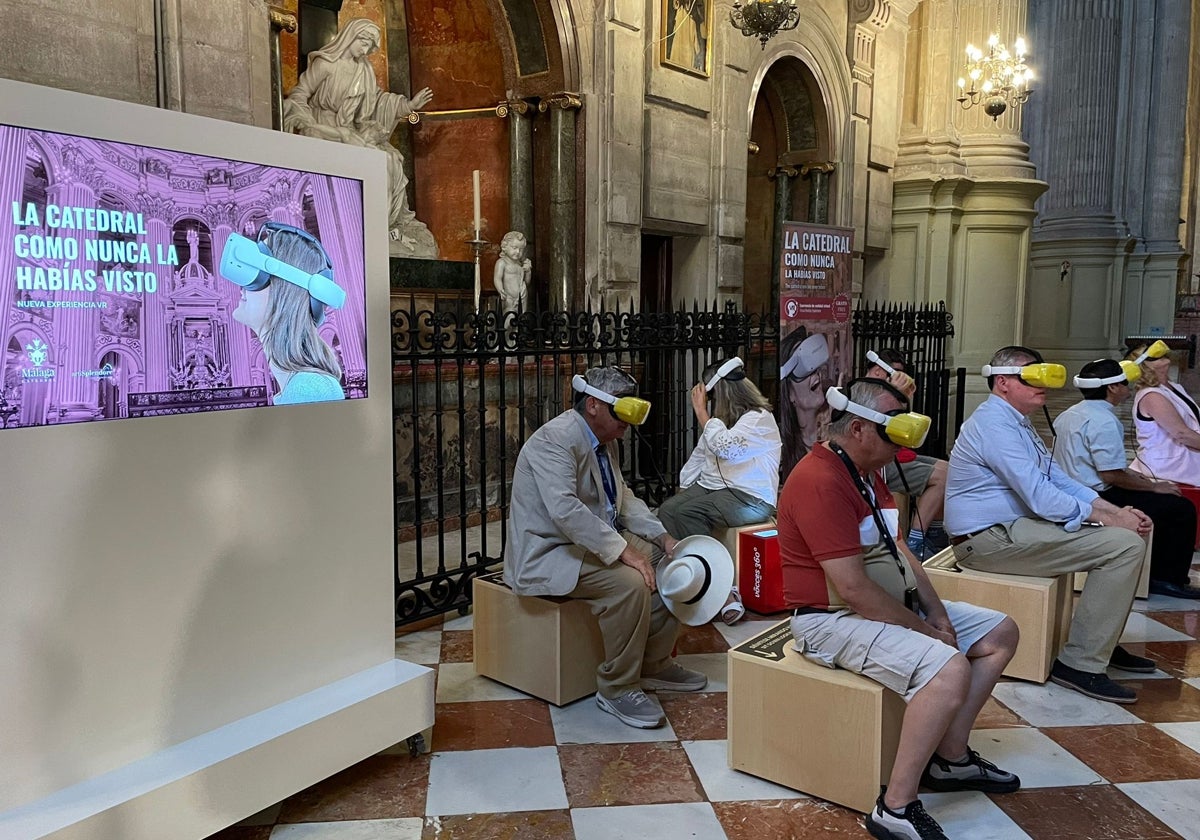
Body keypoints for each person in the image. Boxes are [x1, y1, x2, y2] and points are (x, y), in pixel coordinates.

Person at [780, 377, 1020, 840]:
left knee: (1000, 634)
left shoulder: (867, 472)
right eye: (896, 429)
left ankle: (950, 760)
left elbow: (900, 551)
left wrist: (939, 614)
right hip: (828, 620)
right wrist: (930, 635)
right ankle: (895, 806)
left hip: (883, 605)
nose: (905, 441)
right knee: (948, 668)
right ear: (857, 431)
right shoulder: (819, 480)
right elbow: (852, 590)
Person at [945, 346, 1152, 705]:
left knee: (1126, 533)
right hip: (987, 541)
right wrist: (1110, 519)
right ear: (1003, 382)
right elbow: (1041, 496)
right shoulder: (994, 424)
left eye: (1044, 372)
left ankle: (1098, 642)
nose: (1044, 382)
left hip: (1013, 529)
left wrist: (1112, 510)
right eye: (1032, 374)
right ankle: (1080, 664)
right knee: (1124, 545)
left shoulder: (1017, 422)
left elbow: (1060, 480)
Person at [504, 367, 707, 729]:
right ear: (595, 405)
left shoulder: (605, 441)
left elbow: (622, 499)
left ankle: (653, 664)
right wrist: (624, 551)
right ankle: (616, 688)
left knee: (671, 561)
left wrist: (661, 537)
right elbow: (565, 509)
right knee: (629, 584)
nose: (627, 425)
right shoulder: (556, 440)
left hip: (588, 541)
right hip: (550, 551)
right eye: (622, 413)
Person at [283, 19, 438, 258]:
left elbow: (377, 102)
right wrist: (306, 122)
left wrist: (408, 105)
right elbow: (300, 94)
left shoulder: (364, 69)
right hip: (323, 129)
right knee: (373, 159)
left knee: (390, 160)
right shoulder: (326, 65)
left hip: (350, 132)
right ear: (350, 36)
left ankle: (380, 226)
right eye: (363, 43)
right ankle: (362, 227)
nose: (365, 50)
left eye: (369, 46)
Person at [1055, 358, 1200, 599]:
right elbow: (1111, 475)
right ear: (1112, 388)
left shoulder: (1070, 413)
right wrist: (1154, 488)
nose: (1129, 387)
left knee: (1165, 501)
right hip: (1095, 494)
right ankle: (1167, 579)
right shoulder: (1104, 421)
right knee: (1180, 508)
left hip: (1072, 488)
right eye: (1124, 383)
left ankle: (1158, 571)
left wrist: (1147, 482)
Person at [657, 357, 781, 625]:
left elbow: (727, 449)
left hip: (751, 498)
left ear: (722, 392)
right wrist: (684, 488)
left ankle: (722, 591)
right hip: (717, 490)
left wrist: (702, 413)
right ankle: (694, 577)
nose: (709, 401)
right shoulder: (721, 422)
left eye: (711, 396)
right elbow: (701, 457)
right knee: (669, 509)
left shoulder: (759, 419)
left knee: (688, 512)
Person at [222, 223, 346, 405]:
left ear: (286, 290)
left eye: (257, 275)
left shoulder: (310, 390)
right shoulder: (304, 387)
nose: (242, 288)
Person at [864, 348, 950, 558]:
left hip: (895, 451)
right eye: (894, 372)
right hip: (878, 461)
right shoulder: (863, 393)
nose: (900, 377)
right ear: (877, 371)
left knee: (949, 469)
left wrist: (902, 398)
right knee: (942, 477)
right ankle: (917, 541)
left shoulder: (883, 390)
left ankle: (934, 533)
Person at [1127, 342, 1200, 485]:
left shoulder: (1173, 387)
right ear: (1144, 364)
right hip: (1170, 462)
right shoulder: (1151, 395)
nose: (1163, 357)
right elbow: (1182, 434)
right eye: (1155, 356)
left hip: (1186, 452)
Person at [780, 327, 831, 481]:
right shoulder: (780, 447)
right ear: (790, 393)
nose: (815, 373)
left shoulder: (837, 432)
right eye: (803, 368)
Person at [493, 231, 531, 311]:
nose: (518, 252)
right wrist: (500, 290)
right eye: (514, 248)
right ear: (505, 247)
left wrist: (528, 271)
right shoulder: (502, 262)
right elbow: (497, 278)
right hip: (508, 297)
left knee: (522, 318)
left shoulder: (520, 264)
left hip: (522, 296)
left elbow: (527, 282)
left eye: (521, 250)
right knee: (509, 317)